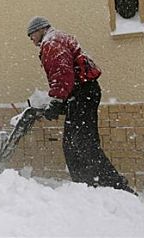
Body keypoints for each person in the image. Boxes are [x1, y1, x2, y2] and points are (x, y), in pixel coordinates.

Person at [26, 16, 136, 195]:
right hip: (84, 92)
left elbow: (62, 73)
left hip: (82, 93)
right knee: (75, 143)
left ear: (40, 30)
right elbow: (69, 72)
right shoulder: (59, 38)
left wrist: (56, 100)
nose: (32, 41)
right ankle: (87, 188)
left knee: (82, 143)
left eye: (31, 35)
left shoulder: (51, 43)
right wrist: (62, 100)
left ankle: (116, 188)